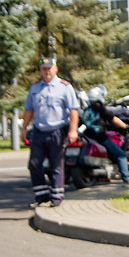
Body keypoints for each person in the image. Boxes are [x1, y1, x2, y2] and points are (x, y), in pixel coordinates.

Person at [22, 57, 79, 208]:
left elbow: (73, 110)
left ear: (55, 69)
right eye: (44, 69)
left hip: (57, 131)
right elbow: (29, 110)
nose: (47, 71)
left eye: (49, 68)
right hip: (39, 131)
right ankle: (41, 196)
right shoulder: (35, 88)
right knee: (34, 164)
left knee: (56, 165)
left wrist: (73, 130)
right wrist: (23, 129)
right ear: (40, 70)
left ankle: (56, 197)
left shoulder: (65, 87)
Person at [82, 85, 129, 184]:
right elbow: (114, 119)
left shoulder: (86, 109)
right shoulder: (101, 109)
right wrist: (125, 126)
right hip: (100, 137)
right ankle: (126, 177)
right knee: (121, 154)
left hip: (86, 136)